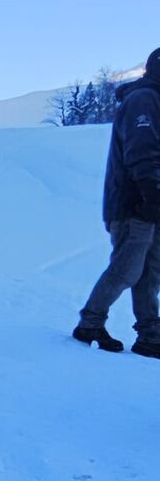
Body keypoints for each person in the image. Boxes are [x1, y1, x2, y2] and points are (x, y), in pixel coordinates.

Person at [73, 49, 160, 356]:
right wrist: (150, 192)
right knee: (127, 268)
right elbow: (142, 150)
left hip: (150, 203)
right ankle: (90, 323)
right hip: (134, 203)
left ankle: (151, 335)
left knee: (150, 271)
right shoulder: (144, 100)